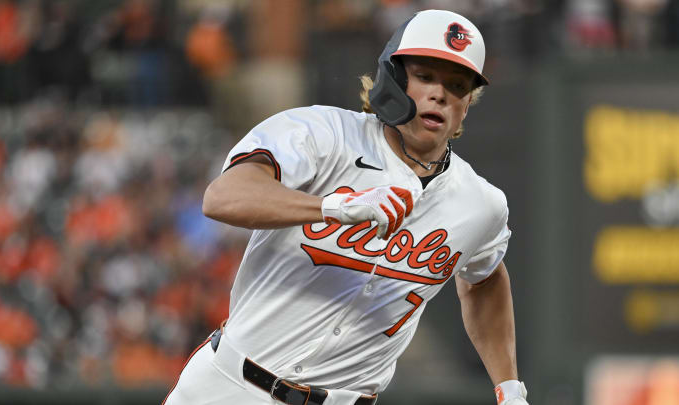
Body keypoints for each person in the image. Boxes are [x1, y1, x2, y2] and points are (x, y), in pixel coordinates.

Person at [164, 9, 529, 405]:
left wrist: (508, 386)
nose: (439, 93)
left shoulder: (480, 203)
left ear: (467, 103)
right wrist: (332, 208)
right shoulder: (324, 135)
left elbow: (485, 278)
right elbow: (224, 197)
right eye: (424, 76)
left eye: (457, 85)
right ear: (393, 78)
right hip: (233, 388)